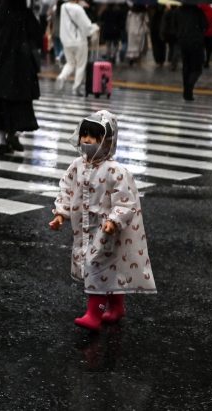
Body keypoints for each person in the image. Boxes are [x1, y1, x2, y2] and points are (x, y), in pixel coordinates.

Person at [49, 110, 156, 330]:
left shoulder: (115, 171)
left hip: (106, 230)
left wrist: (114, 220)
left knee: (95, 265)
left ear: (106, 140)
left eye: (93, 136)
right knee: (106, 267)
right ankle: (116, 307)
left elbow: (125, 200)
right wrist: (61, 213)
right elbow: (67, 190)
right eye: (84, 135)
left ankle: (94, 313)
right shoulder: (77, 166)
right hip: (83, 228)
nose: (86, 140)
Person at [0, 0, 42, 158]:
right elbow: (37, 36)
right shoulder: (25, 14)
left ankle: (2, 143)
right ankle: (13, 134)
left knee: (0, 105)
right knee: (19, 105)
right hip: (21, 67)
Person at [56, 0, 99, 96]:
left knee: (70, 63)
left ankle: (61, 77)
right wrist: (95, 27)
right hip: (79, 41)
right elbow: (87, 26)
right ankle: (76, 88)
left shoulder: (63, 7)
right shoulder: (78, 9)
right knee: (80, 65)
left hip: (66, 40)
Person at [175, 3, 207, 102]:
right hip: (196, 42)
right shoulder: (198, 11)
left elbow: (174, 25)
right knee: (197, 69)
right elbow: (205, 25)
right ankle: (189, 88)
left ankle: (186, 92)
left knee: (186, 67)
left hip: (183, 41)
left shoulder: (178, 11)